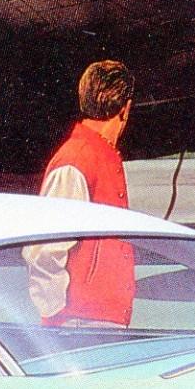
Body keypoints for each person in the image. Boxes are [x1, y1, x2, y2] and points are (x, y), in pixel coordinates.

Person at [26, 60, 136, 326]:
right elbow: (43, 249)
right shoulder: (77, 159)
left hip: (95, 320)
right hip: (80, 323)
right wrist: (57, 316)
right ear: (125, 109)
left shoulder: (94, 155)